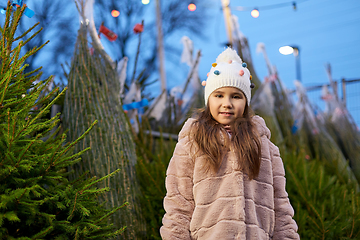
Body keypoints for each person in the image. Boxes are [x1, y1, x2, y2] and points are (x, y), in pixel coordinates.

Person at [160, 47, 300, 240]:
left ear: (246, 102)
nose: (227, 103)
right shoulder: (192, 143)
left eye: (236, 96)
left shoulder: (265, 147)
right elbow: (178, 204)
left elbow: (280, 205)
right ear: (209, 99)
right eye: (219, 95)